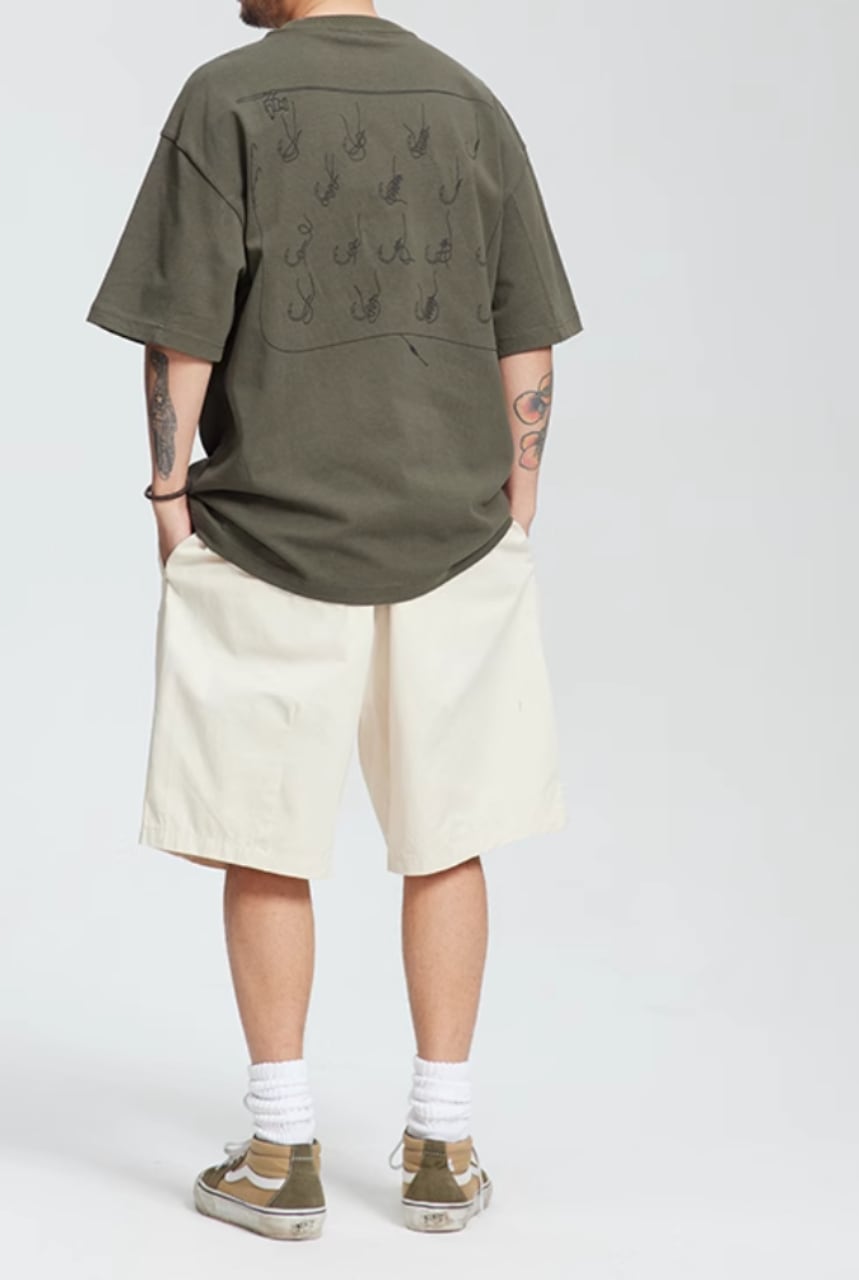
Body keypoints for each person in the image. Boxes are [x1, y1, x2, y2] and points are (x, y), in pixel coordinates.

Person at [86, 0, 582, 1240]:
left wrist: (166, 493)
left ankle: (280, 1148)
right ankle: (441, 1145)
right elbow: (526, 335)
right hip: (456, 532)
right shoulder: (468, 102)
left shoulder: (226, 97)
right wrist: (516, 495)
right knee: (448, 834)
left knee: (266, 839)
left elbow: (178, 330)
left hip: (268, 531)